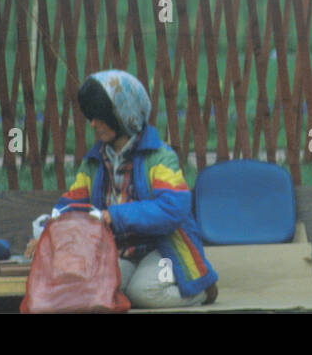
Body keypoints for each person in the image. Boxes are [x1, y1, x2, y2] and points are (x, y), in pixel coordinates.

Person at [30, 70, 218, 308]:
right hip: (123, 251)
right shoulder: (94, 162)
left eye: (100, 117)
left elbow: (173, 208)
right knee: (96, 289)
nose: (92, 124)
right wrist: (48, 232)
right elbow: (73, 202)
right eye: (91, 116)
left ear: (123, 115)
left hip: (166, 251)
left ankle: (202, 291)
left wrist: (114, 215)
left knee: (143, 292)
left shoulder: (160, 158)